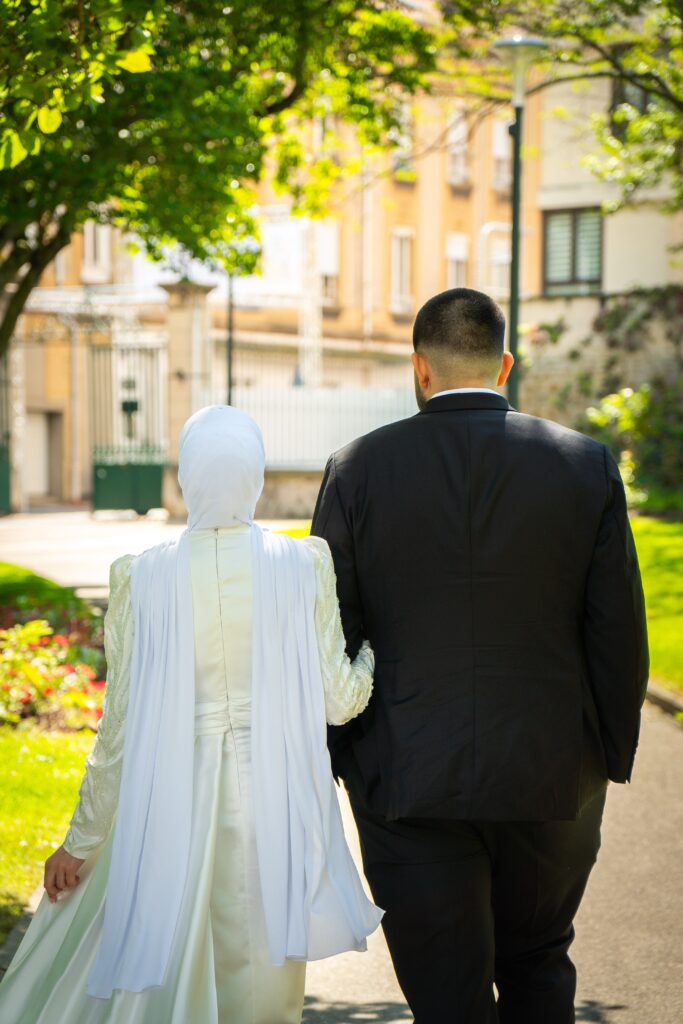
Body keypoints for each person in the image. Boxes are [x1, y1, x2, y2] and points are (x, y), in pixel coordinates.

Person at [311, 287, 649, 1024]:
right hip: (550, 773)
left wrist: (341, 758)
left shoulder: (356, 469)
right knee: (536, 962)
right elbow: (616, 628)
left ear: (419, 369)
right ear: (504, 366)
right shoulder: (583, 464)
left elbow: (329, 629)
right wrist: (607, 756)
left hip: (404, 776)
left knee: (444, 995)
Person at [0, 405, 382, 1024]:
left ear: (186, 476)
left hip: (169, 804)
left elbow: (118, 731)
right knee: (261, 983)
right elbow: (341, 701)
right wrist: (370, 656)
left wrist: (80, 841)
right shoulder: (304, 563)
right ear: (255, 474)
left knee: (168, 973)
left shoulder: (139, 577)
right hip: (275, 811)